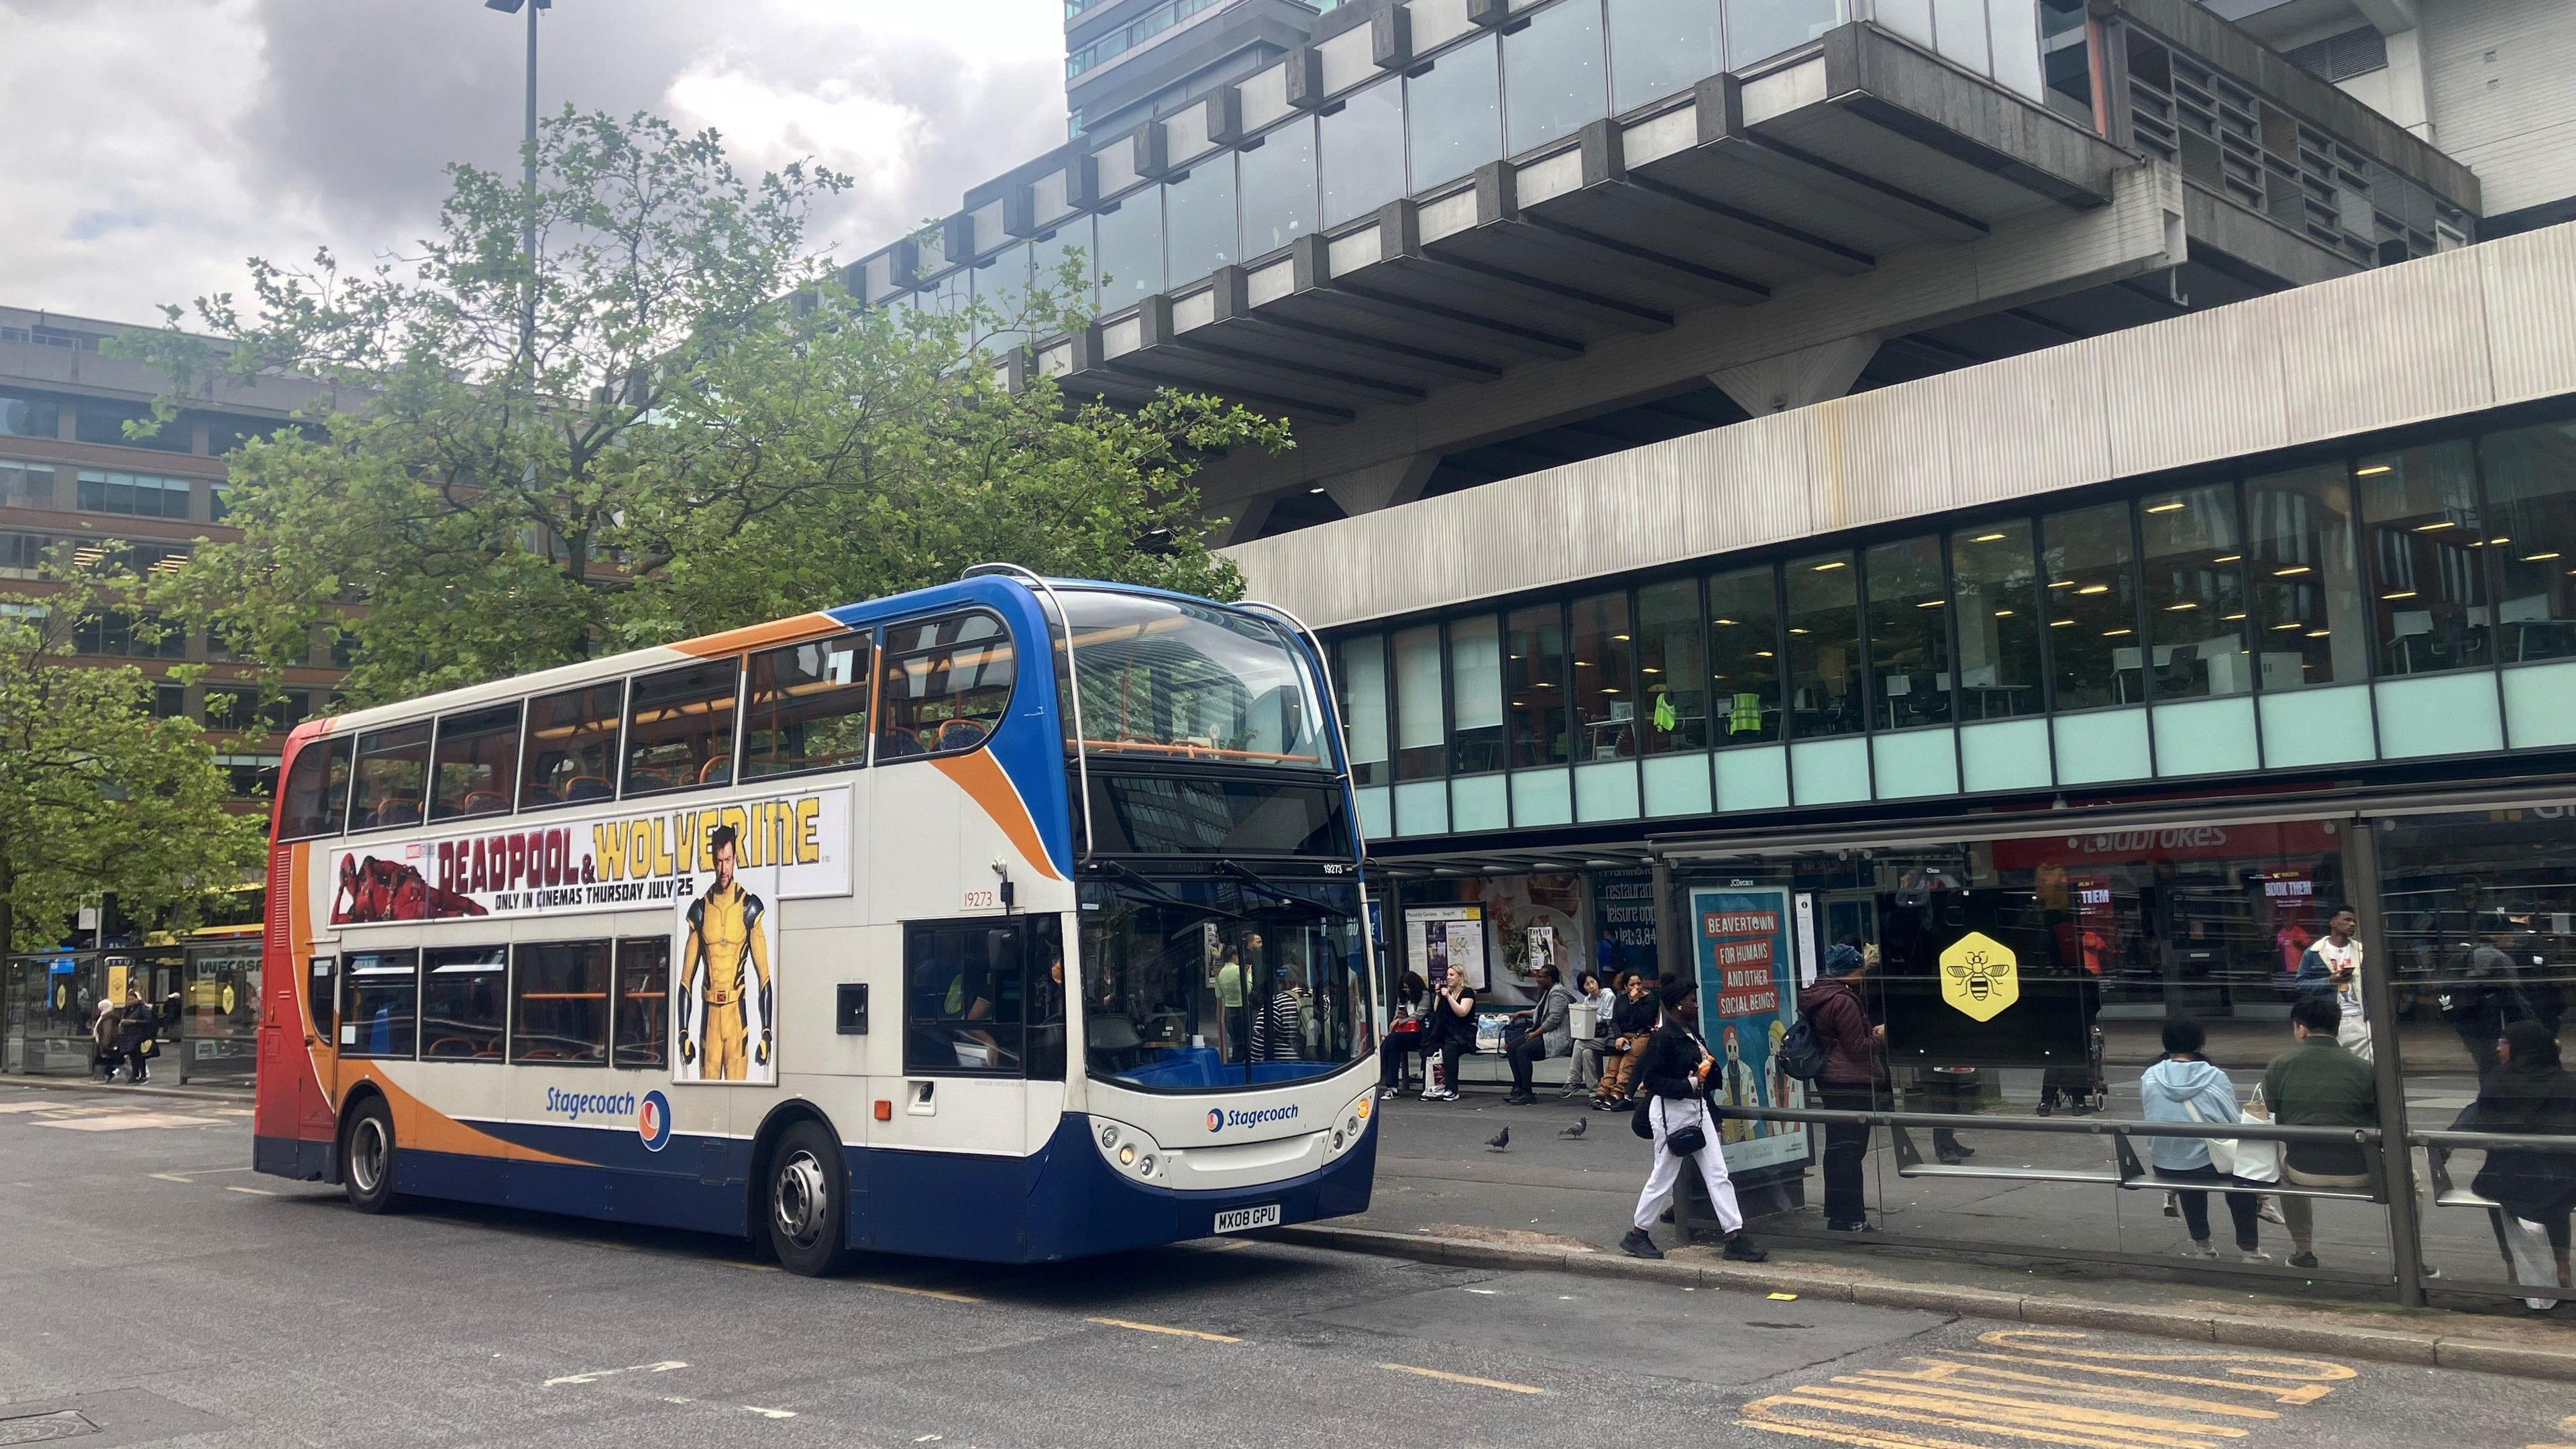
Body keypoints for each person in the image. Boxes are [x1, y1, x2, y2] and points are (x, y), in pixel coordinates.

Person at [1623, 979, 1766, 1263]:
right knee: (1663, 1177)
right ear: (1677, 1005)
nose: (1696, 1005)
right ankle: (1638, 1233)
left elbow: (1704, 1080)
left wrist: (1711, 1111)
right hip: (1671, 1112)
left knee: (1717, 1173)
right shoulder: (1664, 1038)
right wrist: (1690, 1083)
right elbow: (1651, 1080)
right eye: (1691, 1000)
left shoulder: (1690, 1034)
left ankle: (1734, 1235)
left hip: (1696, 1108)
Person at [2455, 1019, 2576, 1303]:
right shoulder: (2567, 1083)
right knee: (2559, 1196)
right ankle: (2563, 1265)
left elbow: (2483, 1125)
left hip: (2507, 1177)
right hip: (2560, 1178)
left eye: (2504, 1043)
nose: (2499, 1049)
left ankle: (2511, 1266)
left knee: (2492, 1188)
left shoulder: (2498, 1081)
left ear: (2521, 1048)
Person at [2261, 992, 2379, 1271]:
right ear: (2336, 1027)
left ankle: (2303, 1250)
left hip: (2304, 1168)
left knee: (2284, 1176)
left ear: (2302, 1029)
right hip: (2361, 1170)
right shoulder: (2365, 1068)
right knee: (2413, 1182)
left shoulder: (2280, 1065)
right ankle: (2413, 1260)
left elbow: (2269, 1109)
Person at [2139, 1020, 2267, 1263]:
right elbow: (2231, 1122)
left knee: (2190, 1175)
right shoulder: (2213, 1076)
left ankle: (2203, 1246)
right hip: (2207, 1163)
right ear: (2199, 1043)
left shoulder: (2150, 1076)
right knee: (2239, 1176)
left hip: (2166, 1163)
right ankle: (2250, 1250)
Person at [678, 824, 774, 1081]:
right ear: (713, 861)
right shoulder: (700, 910)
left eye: (728, 861)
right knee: (706, 1098)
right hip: (709, 1018)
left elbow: (764, 975)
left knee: (738, 1098)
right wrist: (683, 1032)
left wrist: (767, 1032)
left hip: (735, 1016)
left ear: (735, 860)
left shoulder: (749, 907)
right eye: (719, 862)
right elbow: (686, 980)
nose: (723, 869)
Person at [1799, 943, 1884, 1233]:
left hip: (1829, 1077)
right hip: (1849, 1080)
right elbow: (1858, 1048)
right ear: (1851, 971)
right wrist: (1880, 1036)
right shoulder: (1844, 1000)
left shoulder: (1820, 993)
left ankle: (1838, 1214)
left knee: (1837, 1149)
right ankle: (1853, 1217)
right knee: (1850, 1151)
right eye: (1860, 968)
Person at [2295, 906, 2371, 1061]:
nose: (2352, 924)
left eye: (2354, 921)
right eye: (2347, 920)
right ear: (2334, 923)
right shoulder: (2314, 952)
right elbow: (2301, 984)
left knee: (2367, 1064)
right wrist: (2329, 981)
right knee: (2331, 1063)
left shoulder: (2362, 951)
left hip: (2360, 1018)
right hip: (2330, 1019)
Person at [1503, 965, 1572, 1106]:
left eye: (1541, 977)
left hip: (1555, 1036)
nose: (1537, 979)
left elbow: (1553, 1020)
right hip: (1542, 1033)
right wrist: (1522, 1013)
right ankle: (1519, 1088)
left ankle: (1528, 1093)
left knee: (1523, 1052)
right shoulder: (1549, 991)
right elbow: (1541, 1011)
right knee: (1512, 1048)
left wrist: (1534, 1034)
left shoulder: (1558, 993)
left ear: (1550, 979)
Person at [1594, 972, 1661, 1110]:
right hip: (1623, 1035)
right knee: (1613, 1065)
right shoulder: (1621, 1000)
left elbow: (1645, 1020)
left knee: (1627, 1063)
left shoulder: (1650, 999)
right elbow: (1615, 1021)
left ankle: (1618, 1093)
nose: (1636, 987)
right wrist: (1619, 1036)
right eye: (1632, 984)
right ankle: (1602, 1093)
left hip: (1641, 1035)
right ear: (1625, 986)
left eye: (1639, 983)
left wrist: (1636, 1002)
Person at [1418, 970, 1477, 1102]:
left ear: (1460, 977)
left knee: (1450, 1050)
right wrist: (1439, 996)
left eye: (1452, 975)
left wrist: (1449, 998)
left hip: (1463, 1033)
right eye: (1448, 975)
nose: (1448, 978)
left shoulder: (1467, 992)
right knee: (1430, 1048)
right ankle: (1430, 1087)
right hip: (1447, 1032)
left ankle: (1452, 1089)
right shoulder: (1447, 992)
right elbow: (1436, 1010)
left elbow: (1462, 1012)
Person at [1377, 971, 1430, 1099]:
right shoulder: (1403, 997)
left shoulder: (1424, 995)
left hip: (1418, 1033)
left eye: (1408, 988)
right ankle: (1392, 1087)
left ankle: (1380, 1060)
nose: (1406, 990)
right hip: (1402, 1033)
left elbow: (1419, 1015)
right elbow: (1397, 1013)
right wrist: (1397, 1019)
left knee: (1392, 1041)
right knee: (1394, 1046)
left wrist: (1400, 1021)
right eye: (1404, 988)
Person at [1565, 972, 1616, 1099]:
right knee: (1586, 1053)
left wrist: (1590, 1012)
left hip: (1608, 1036)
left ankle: (1574, 1080)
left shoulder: (1608, 996)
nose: (1591, 986)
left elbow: (1608, 1020)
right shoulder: (1587, 999)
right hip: (1594, 1035)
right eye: (1587, 984)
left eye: (1593, 982)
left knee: (1579, 1043)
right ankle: (1594, 1092)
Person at [113, 987, 158, 1085]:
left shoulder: (143, 1008)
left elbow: (149, 1021)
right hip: (129, 1036)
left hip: (140, 1035)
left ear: (137, 999)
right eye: (129, 999)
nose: (131, 1001)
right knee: (133, 1056)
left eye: (133, 999)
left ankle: (143, 1076)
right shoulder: (127, 1010)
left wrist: (134, 1022)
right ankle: (134, 1075)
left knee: (140, 1056)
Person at [90, 996, 123, 1082]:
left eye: (101, 1008)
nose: (99, 1010)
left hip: (106, 1044)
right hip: (102, 1043)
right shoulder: (103, 1017)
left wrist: (104, 1045)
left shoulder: (109, 1018)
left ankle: (105, 1076)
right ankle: (106, 1075)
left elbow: (107, 1033)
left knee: (105, 1061)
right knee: (106, 1061)